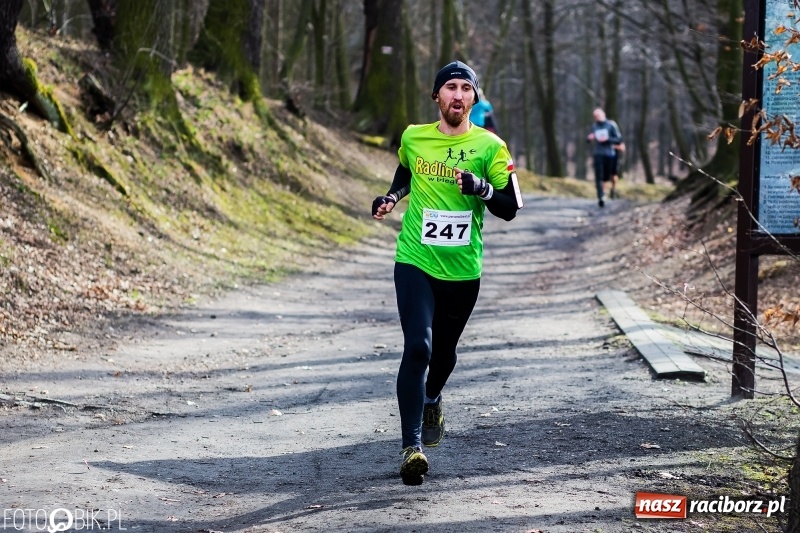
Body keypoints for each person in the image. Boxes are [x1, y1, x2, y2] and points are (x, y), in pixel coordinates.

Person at [371, 60, 523, 486]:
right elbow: (407, 171)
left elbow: (509, 209)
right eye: (449, 88)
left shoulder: (491, 147)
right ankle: (411, 447)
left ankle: (433, 396)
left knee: (443, 354)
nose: (457, 95)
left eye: (465, 89)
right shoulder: (413, 137)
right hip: (415, 258)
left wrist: (482, 188)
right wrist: (391, 197)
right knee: (418, 346)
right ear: (436, 96)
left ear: (475, 98)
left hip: (462, 270)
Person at [587, 108, 622, 207]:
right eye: (594, 116)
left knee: (608, 176)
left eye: (597, 115)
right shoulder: (594, 126)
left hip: (610, 154)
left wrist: (607, 139)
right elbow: (589, 139)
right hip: (598, 153)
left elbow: (619, 139)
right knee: (599, 176)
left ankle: (611, 191)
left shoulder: (611, 125)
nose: (596, 118)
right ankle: (600, 196)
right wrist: (590, 138)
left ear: (603, 114)